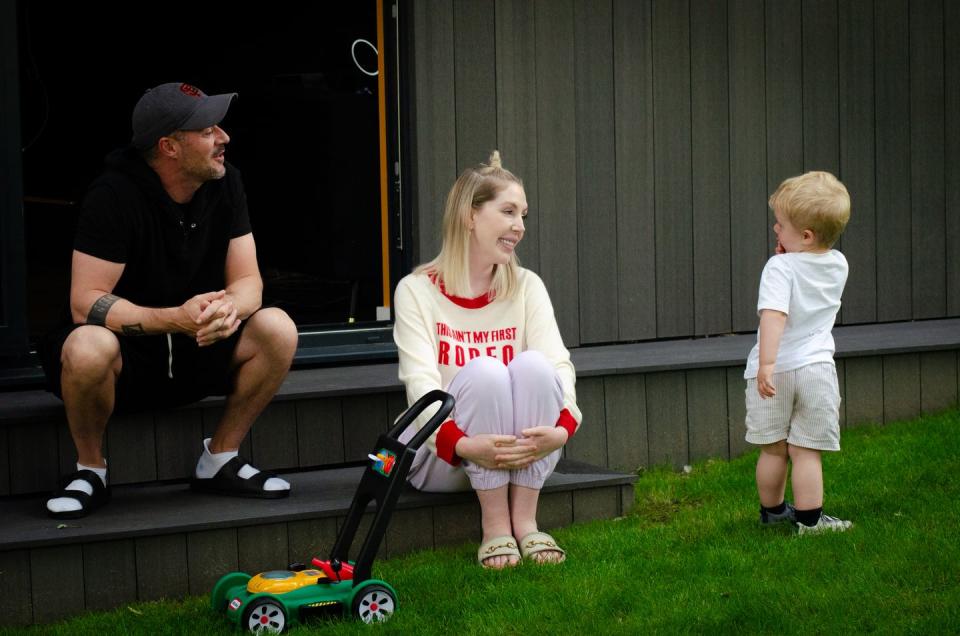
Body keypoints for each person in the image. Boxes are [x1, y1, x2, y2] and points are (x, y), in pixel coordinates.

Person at [39, 82, 299, 519]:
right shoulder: (112, 196)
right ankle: (90, 470)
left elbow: (249, 281)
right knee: (86, 346)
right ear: (169, 147)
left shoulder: (227, 182)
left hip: (198, 347)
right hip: (128, 357)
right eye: (208, 130)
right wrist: (174, 320)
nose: (224, 138)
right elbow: (85, 303)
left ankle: (220, 458)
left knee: (278, 328)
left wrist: (229, 309)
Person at [393, 151, 581, 568]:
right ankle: (496, 527)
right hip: (446, 457)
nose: (520, 226)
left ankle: (526, 524)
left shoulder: (527, 286)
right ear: (470, 216)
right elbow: (420, 385)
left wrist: (564, 429)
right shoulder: (416, 291)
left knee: (534, 366)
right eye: (509, 211)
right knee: (484, 371)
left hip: (518, 454)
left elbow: (558, 365)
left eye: (524, 215)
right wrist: (460, 443)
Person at [744, 170, 852, 535]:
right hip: (817, 369)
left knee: (773, 448)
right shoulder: (839, 264)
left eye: (781, 225)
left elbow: (774, 315)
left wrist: (767, 363)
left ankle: (772, 512)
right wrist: (791, 255)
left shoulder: (778, 266)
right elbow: (810, 272)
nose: (776, 229)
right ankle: (810, 521)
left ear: (805, 236)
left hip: (776, 370)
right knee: (806, 450)